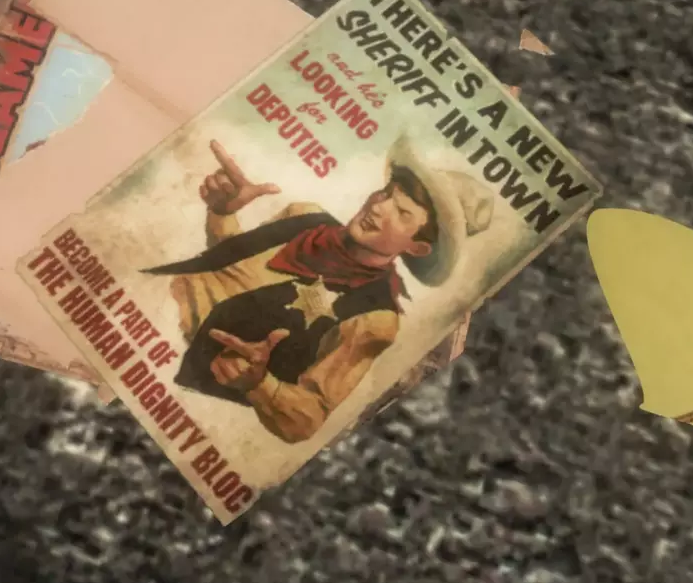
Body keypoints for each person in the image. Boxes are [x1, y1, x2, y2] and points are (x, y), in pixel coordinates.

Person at [141, 138, 492, 443]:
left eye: (401, 212)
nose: (378, 206)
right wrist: (222, 212)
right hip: (148, 301)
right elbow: (233, 268)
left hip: (170, 376)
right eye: (386, 193)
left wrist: (259, 383)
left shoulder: (374, 319)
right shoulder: (304, 215)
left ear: (417, 247)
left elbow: (308, 417)